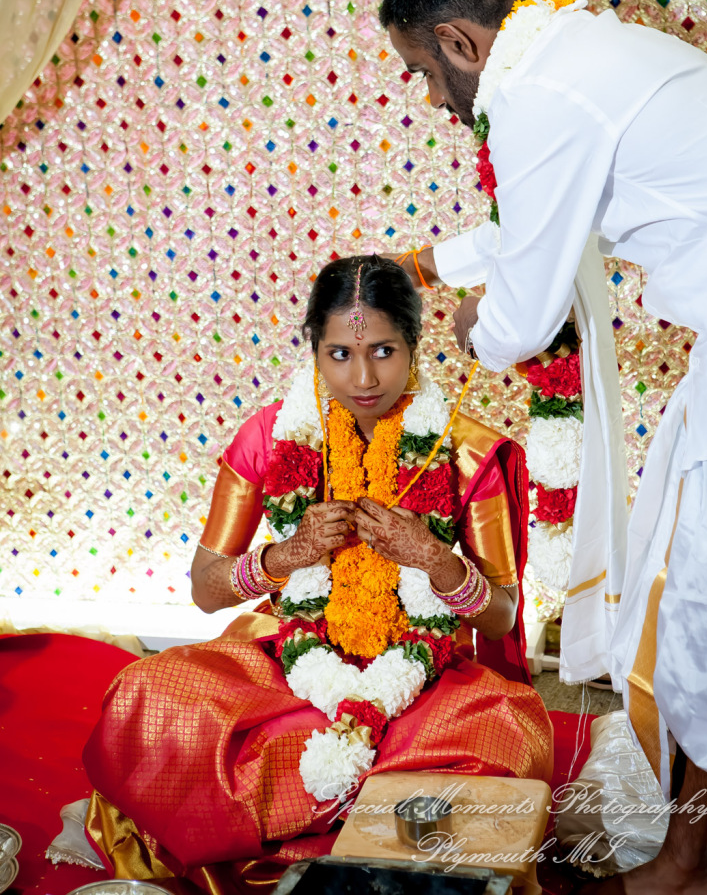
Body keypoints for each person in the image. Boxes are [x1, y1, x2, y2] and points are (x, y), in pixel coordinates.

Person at [379, 0, 707, 895]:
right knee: (704, 618)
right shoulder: (575, 58)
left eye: (422, 71)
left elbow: (519, 317)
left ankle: (690, 864)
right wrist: (423, 265)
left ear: (460, 41)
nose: (430, 97)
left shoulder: (541, 95)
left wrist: (466, 323)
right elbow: (532, 226)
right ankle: (691, 857)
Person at [82, 254, 553, 894]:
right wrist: (286, 557)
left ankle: (306, 820)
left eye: (383, 350)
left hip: (428, 676)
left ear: (414, 344)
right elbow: (204, 588)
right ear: (315, 349)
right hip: (291, 664)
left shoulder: (468, 450)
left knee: (509, 735)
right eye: (339, 354)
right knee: (145, 695)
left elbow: (500, 612)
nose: (362, 376)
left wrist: (435, 561)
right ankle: (352, 815)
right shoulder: (273, 436)